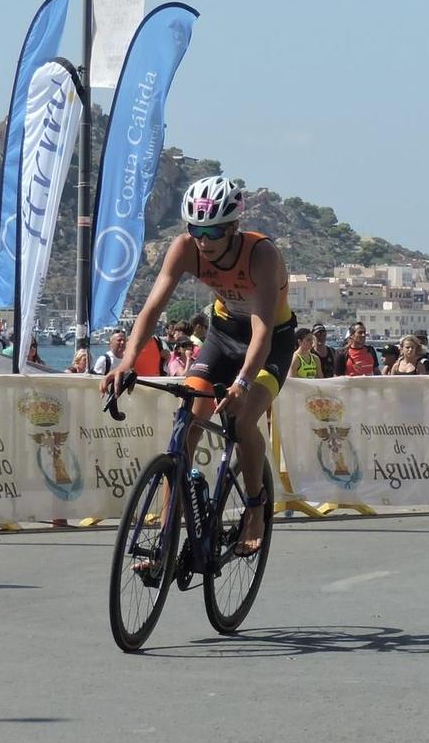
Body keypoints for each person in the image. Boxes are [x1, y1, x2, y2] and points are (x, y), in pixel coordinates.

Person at [101, 175, 290, 555]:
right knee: (186, 424)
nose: (204, 240)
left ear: (234, 227)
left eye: (214, 230)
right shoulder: (184, 248)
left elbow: (262, 330)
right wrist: (127, 361)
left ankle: (255, 508)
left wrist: (241, 384)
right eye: (196, 229)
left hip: (269, 342)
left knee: (240, 419)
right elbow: (153, 307)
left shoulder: (262, 255)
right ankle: (169, 530)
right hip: (221, 335)